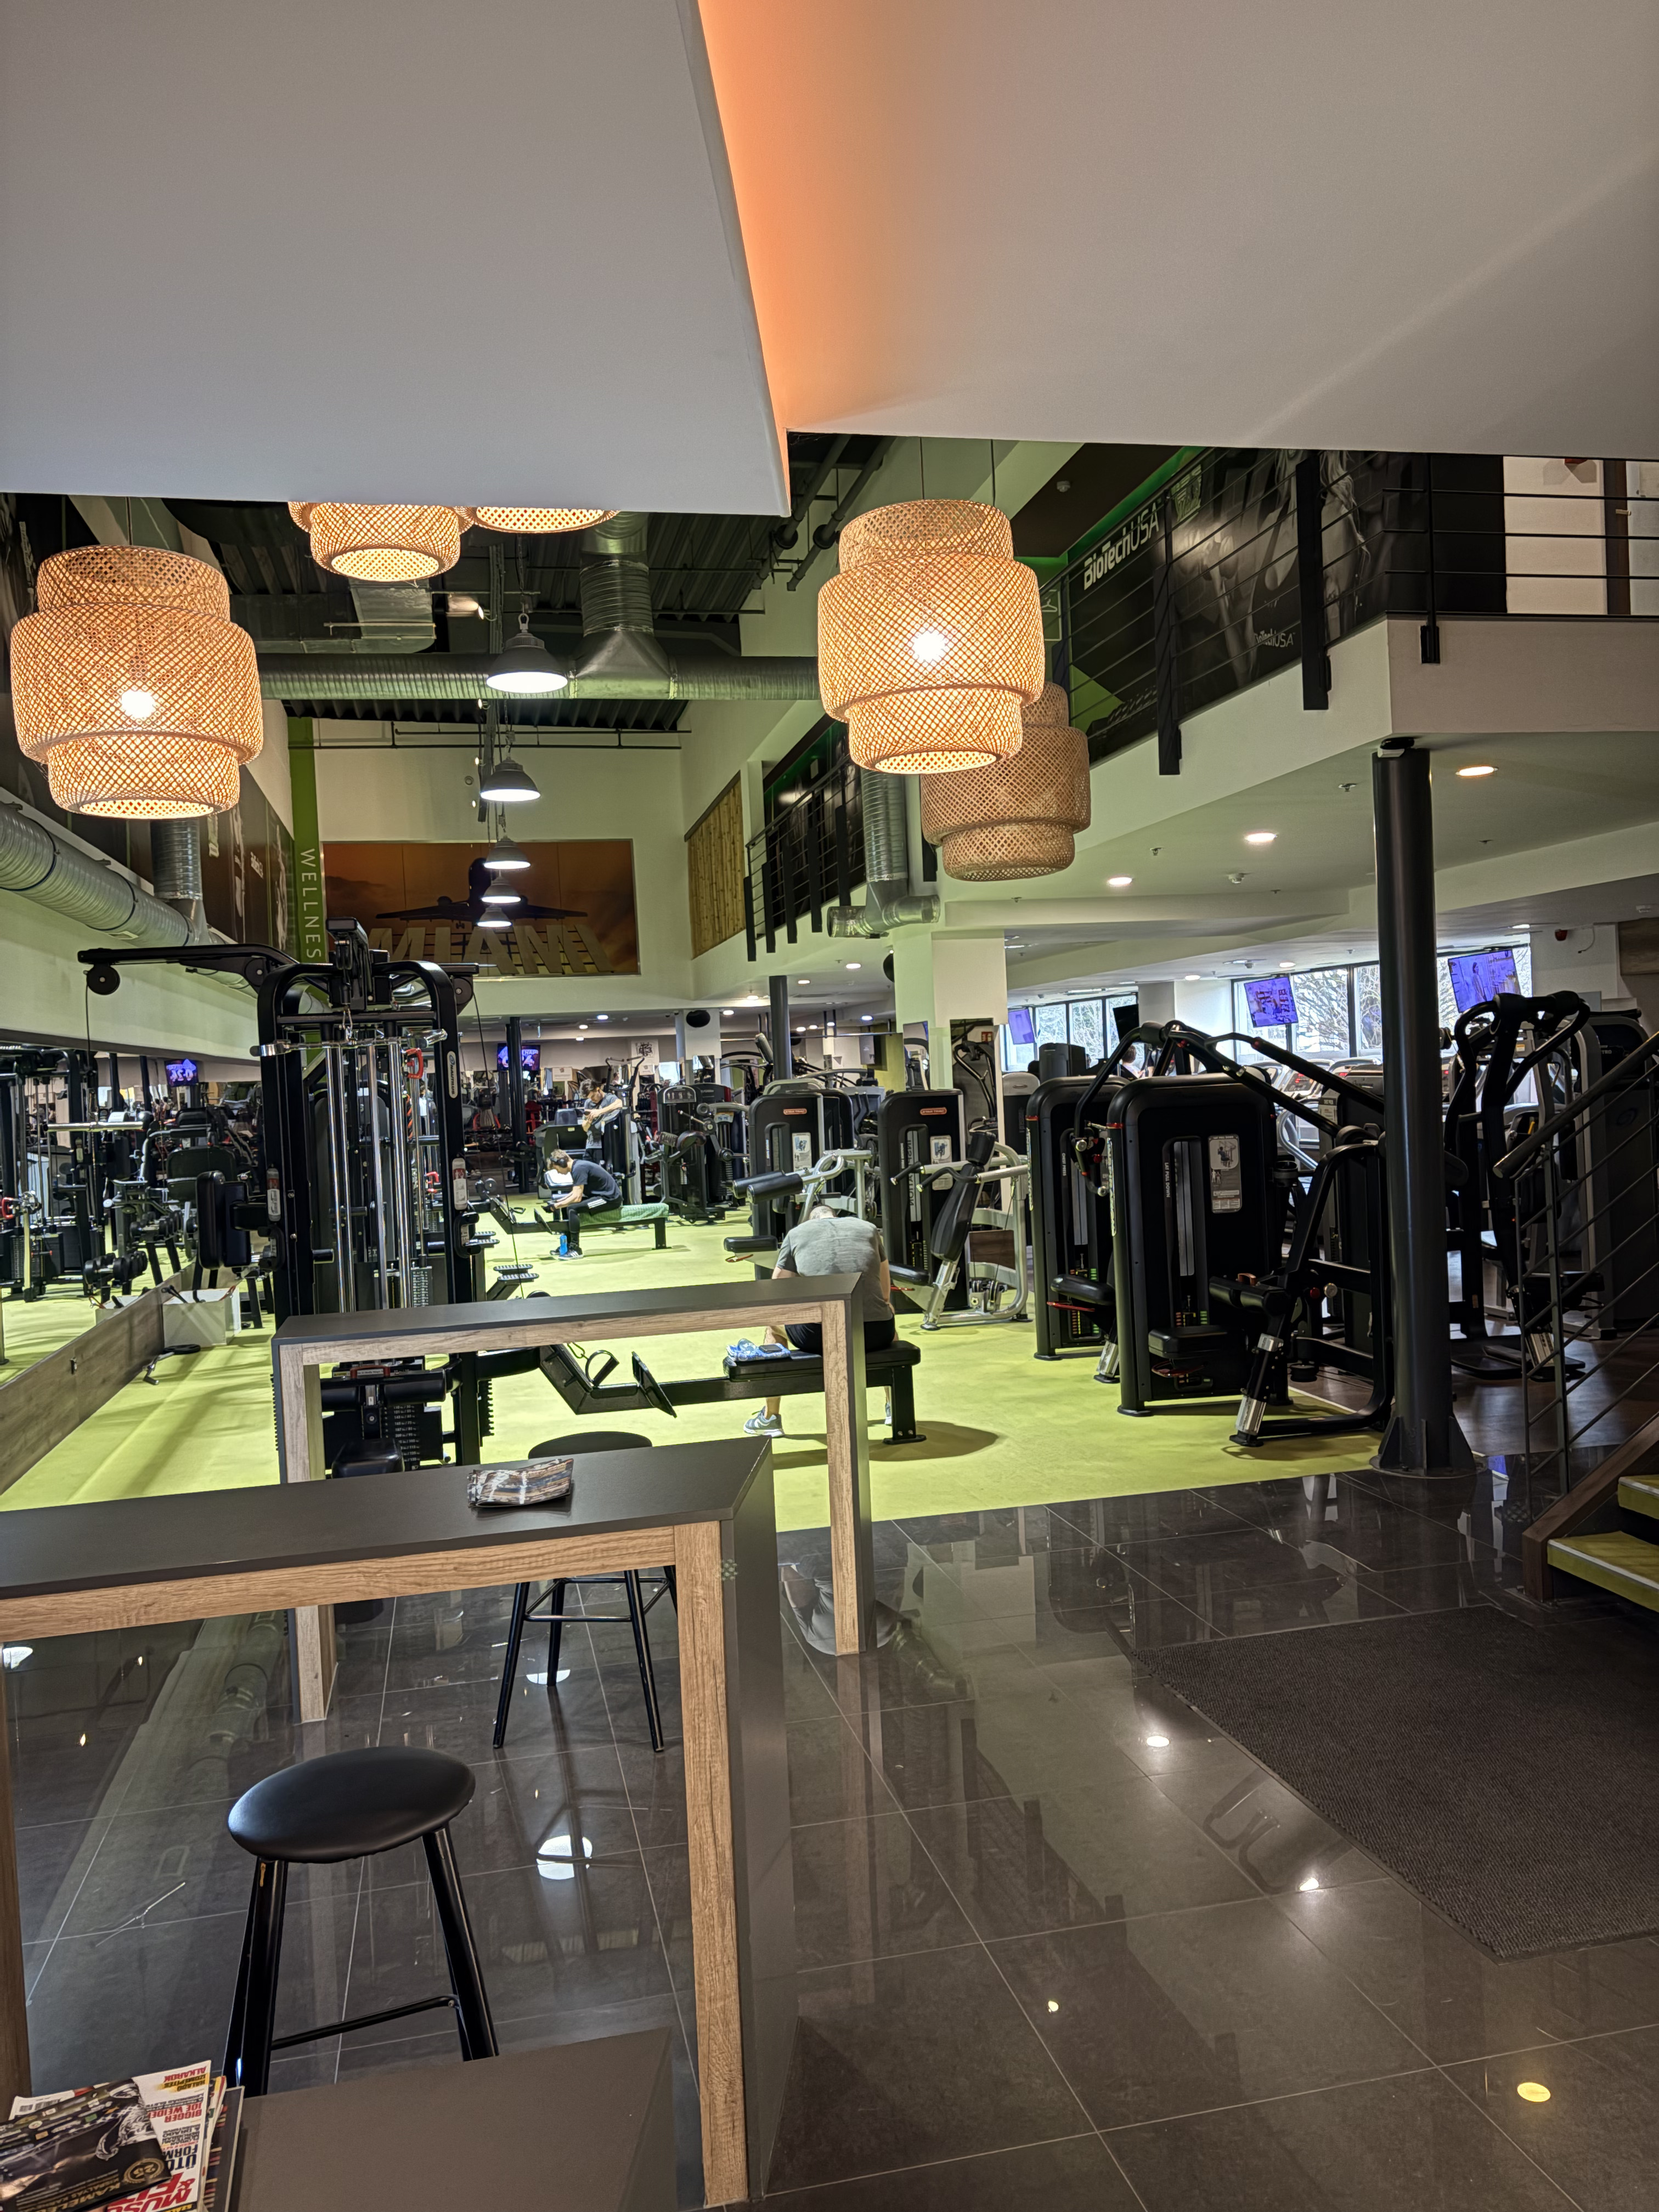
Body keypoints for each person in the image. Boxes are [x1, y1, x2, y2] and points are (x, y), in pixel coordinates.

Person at [743, 1203, 896, 1438]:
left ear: (811, 1220)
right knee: (886, 1313)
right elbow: (885, 1294)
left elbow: (777, 1293)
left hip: (819, 1336)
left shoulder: (796, 1234)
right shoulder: (868, 1229)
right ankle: (894, 1407)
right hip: (877, 1334)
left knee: (773, 1323)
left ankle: (770, 1417)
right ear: (835, 1216)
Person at [542, 1147, 620, 1254]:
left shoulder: (579, 1169)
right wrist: (557, 1203)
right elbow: (574, 1193)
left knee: (572, 1208)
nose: (558, 1172)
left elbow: (577, 1197)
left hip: (610, 1199)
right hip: (600, 1196)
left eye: (557, 1169)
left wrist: (556, 1206)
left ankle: (575, 1248)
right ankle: (567, 1245)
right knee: (566, 1206)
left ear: (562, 1163)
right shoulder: (576, 1167)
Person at [578, 1075, 624, 1159]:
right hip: (591, 1145)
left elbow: (620, 1104)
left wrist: (600, 1112)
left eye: (593, 1096)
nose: (592, 1100)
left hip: (604, 1144)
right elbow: (585, 1128)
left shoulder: (609, 1098)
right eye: (589, 1098)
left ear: (598, 1089)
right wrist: (589, 1122)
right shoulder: (588, 1103)